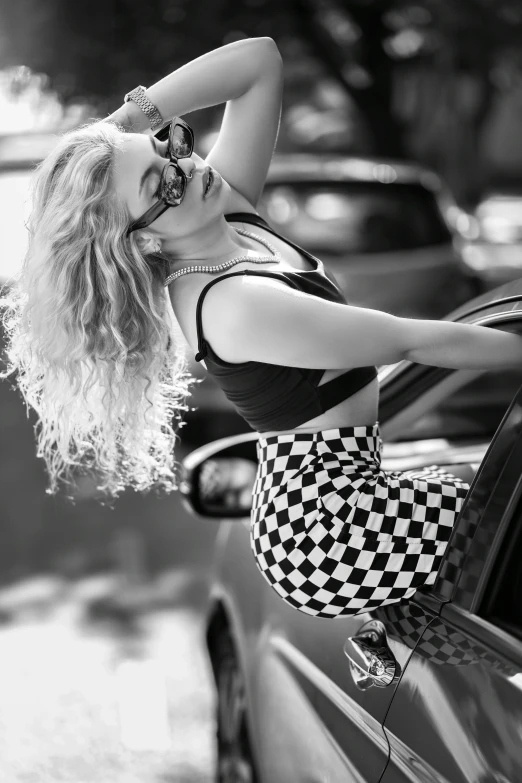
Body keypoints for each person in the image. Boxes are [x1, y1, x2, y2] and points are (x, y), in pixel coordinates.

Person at [2, 38, 522, 617]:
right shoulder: (233, 305)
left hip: (344, 497)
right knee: (510, 519)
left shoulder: (223, 215)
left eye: (169, 145)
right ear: (143, 239)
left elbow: (258, 62)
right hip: (326, 532)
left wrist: (121, 123)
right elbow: (415, 340)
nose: (187, 167)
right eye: (160, 183)